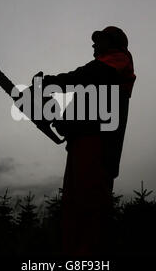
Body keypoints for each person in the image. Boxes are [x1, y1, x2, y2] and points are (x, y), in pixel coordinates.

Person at [43, 26, 136, 256]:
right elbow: (86, 101)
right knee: (72, 206)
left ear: (112, 42)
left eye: (99, 40)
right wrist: (65, 122)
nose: (93, 45)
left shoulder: (118, 60)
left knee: (90, 206)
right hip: (81, 142)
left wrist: (54, 82)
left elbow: (89, 75)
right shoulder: (98, 73)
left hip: (99, 144)